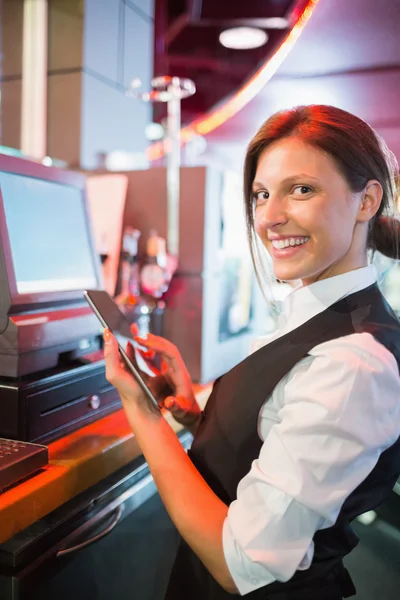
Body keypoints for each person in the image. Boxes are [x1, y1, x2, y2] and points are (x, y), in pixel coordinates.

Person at [103, 105, 400, 599]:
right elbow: (280, 442)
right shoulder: (316, 315)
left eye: (301, 189)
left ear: (366, 200)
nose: (269, 217)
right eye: (261, 194)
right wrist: (201, 420)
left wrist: (143, 413)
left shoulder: (353, 361)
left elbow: (238, 562)